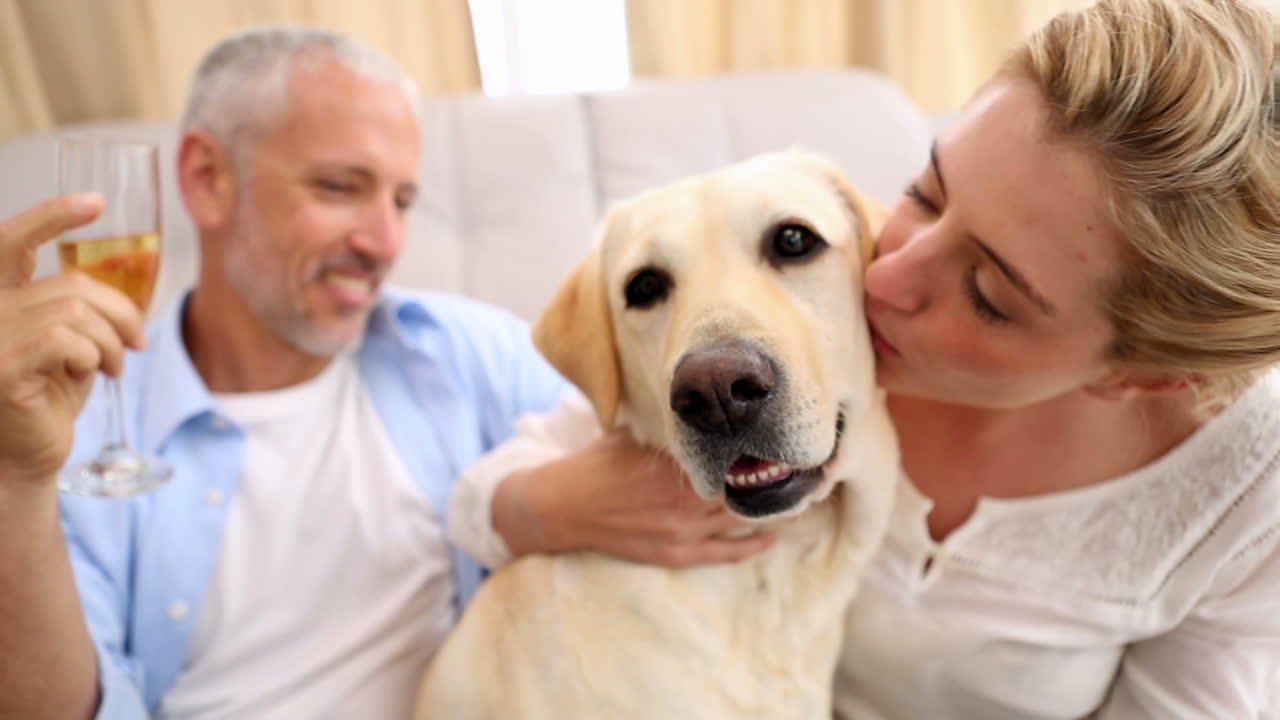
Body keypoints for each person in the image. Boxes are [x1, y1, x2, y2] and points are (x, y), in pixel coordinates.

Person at [450, 0, 1280, 717]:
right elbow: (485, 497)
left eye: (988, 293)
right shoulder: (834, 278)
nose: (886, 273)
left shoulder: (1248, 496)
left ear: (1136, 374)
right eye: (929, 189)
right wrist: (553, 505)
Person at [0, 27, 580, 720]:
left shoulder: (459, 351)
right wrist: (13, 480)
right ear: (208, 180)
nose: (386, 243)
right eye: (341, 187)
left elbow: (656, 455)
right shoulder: (72, 432)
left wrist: (511, 509)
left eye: (401, 201)